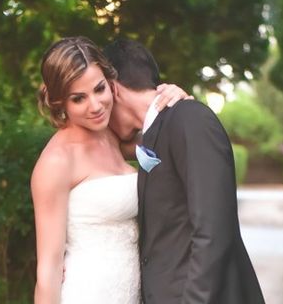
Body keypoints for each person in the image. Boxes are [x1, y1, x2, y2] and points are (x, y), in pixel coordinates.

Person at [103, 38, 265, 304]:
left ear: (113, 88)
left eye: (101, 91)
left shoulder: (190, 118)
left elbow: (213, 231)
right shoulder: (156, 132)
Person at [31, 36, 188, 304]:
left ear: (111, 83)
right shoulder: (57, 162)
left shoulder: (112, 137)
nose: (95, 105)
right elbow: (48, 270)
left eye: (99, 89)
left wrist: (177, 101)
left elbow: (168, 146)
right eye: (78, 98)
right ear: (60, 103)